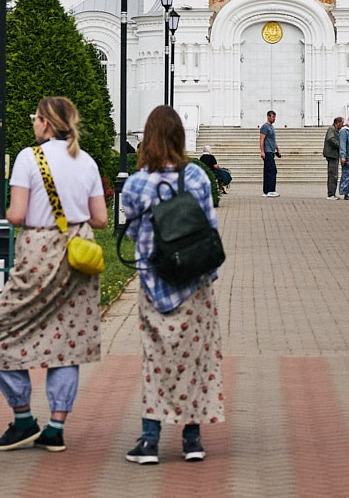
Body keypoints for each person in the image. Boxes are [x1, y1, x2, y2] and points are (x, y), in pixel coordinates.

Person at [0, 96, 107, 454]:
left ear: (47, 124)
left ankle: (22, 419)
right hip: (79, 250)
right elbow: (100, 218)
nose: (33, 124)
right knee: (68, 340)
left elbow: (17, 215)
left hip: (39, 249)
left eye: (35, 118)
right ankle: (56, 427)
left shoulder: (29, 158)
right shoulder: (87, 161)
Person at [119, 104, 225, 465]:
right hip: (194, 284)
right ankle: (192, 439)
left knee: (156, 359)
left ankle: (150, 440)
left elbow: (132, 232)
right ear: (180, 137)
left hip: (155, 284)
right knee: (195, 360)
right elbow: (210, 227)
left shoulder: (135, 184)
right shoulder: (196, 177)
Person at [258, 109, 281, 197]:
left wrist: (277, 150)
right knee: (272, 170)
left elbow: (273, 140)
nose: (274, 119)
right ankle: (270, 190)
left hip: (271, 151)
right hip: (267, 151)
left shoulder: (271, 127)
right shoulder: (265, 127)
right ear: (268, 117)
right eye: (273, 117)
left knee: (269, 170)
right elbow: (261, 139)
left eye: (275, 117)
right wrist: (262, 151)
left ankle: (266, 190)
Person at [322, 116, 343, 198]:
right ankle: (331, 194)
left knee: (334, 174)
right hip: (332, 155)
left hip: (334, 155)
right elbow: (330, 139)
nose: (342, 125)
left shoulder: (336, 130)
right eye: (341, 123)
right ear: (337, 122)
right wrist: (340, 145)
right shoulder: (332, 129)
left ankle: (332, 193)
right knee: (333, 175)